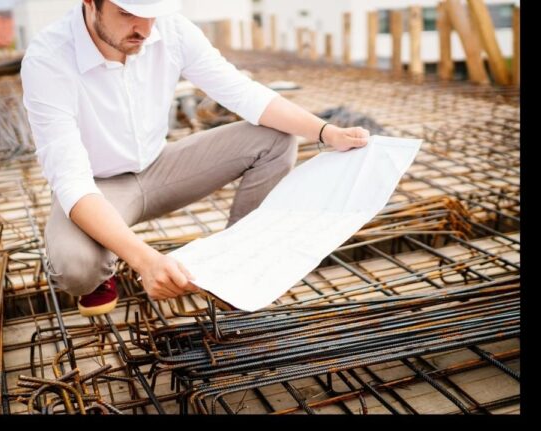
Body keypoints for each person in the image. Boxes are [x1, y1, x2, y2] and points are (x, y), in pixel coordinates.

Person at [21, 0, 369, 316]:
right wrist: (145, 261)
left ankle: (240, 263)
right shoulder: (48, 58)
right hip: (97, 185)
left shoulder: (170, 29)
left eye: (150, 12)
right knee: (75, 267)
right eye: (126, 12)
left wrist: (326, 133)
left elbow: (243, 93)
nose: (144, 29)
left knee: (274, 137)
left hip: (160, 167)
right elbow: (71, 179)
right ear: (90, 4)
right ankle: (101, 270)